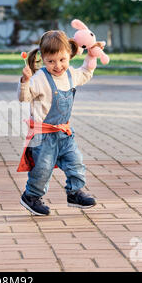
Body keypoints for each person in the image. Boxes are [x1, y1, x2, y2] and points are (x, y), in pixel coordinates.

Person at [17, 30, 101, 216]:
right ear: (43, 58)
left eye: (62, 60)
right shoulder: (39, 78)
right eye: (51, 61)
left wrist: (92, 56)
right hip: (43, 135)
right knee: (42, 169)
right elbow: (24, 98)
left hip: (64, 133)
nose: (58, 66)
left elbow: (86, 72)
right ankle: (31, 196)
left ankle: (75, 192)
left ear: (69, 55)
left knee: (75, 162)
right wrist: (25, 81)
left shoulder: (70, 74)